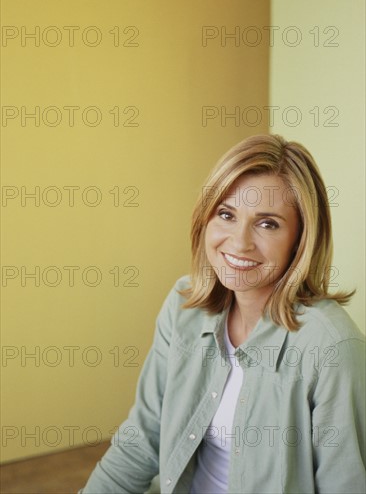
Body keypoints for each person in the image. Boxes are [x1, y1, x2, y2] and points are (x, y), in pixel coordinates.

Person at [79, 134, 365, 494]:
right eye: (227, 214)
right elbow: (141, 439)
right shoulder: (184, 306)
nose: (240, 242)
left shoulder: (333, 347)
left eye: (268, 223)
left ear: (301, 240)